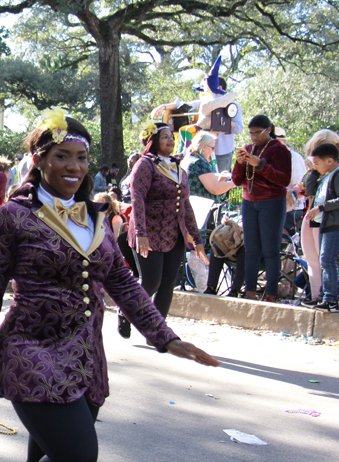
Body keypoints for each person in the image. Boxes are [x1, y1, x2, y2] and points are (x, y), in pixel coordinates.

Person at [0, 108, 219, 462]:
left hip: (84, 358)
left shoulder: (96, 217)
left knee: (44, 456)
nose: (73, 166)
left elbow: (126, 286)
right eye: (61, 156)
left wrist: (166, 337)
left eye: (80, 157)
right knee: (76, 457)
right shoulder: (11, 218)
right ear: (39, 160)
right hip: (28, 350)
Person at [125, 123, 205, 338]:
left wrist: (196, 239)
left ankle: (156, 332)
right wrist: (141, 232)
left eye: (172, 137)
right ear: (153, 141)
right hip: (149, 232)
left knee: (168, 284)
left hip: (173, 233)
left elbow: (186, 205)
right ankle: (127, 310)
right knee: (151, 282)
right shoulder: (144, 165)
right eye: (165, 137)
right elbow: (137, 199)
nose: (171, 140)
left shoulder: (179, 167)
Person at [232, 115, 292, 302]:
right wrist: (240, 163)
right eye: (251, 133)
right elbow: (236, 180)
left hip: (272, 202)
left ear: (269, 129)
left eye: (258, 133)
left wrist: (261, 165)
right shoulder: (249, 150)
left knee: (271, 249)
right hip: (249, 202)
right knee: (251, 249)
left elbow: (284, 180)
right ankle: (249, 290)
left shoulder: (280, 150)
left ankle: (271, 293)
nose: (254, 137)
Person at [180, 132, 243, 297]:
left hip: (190, 210)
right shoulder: (199, 163)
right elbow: (214, 189)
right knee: (200, 248)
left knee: (193, 248)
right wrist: (236, 181)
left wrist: (220, 180)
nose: (213, 152)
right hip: (200, 212)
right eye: (212, 148)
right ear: (203, 147)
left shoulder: (188, 159)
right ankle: (205, 287)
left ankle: (201, 285)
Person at [299, 130, 339, 306]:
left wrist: (321, 207)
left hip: (331, 221)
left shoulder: (336, 173)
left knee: (327, 260)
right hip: (317, 219)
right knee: (317, 259)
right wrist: (314, 171)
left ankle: (329, 298)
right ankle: (319, 296)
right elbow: (309, 190)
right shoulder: (319, 173)